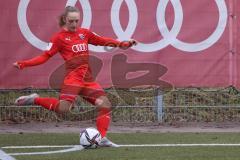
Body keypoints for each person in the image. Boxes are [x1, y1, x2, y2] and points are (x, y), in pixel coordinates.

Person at [13, 6, 137, 147]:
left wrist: (123, 44)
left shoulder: (84, 33)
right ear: (65, 19)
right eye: (71, 21)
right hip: (72, 80)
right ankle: (35, 99)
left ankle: (101, 138)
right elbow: (44, 56)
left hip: (87, 80)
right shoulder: (58, 38)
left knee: (105, 104)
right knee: (63, 109)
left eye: (76, 21)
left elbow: (102, 40)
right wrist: (24, 64)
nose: (74, 24)